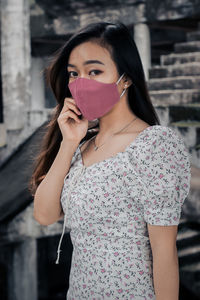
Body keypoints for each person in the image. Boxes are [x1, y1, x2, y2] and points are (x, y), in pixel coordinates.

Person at [30, 21, 191, 300]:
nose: (81, 83)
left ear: (126, 78)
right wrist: (68, 143)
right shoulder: (82, 146)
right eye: (73, 73)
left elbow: (165, 255)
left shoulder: (154, 146)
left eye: (94, 71)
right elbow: (44, 215)